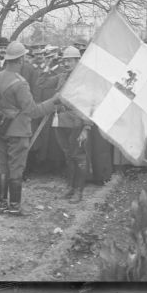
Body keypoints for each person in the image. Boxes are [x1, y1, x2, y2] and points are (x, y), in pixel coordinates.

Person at [0, 42, 60, 214]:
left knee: (3, 166)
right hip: (18, 131)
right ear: (20, 60)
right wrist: (54, 101)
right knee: (16, 167)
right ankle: (14, 206)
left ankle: (2, 204)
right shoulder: (20, 83)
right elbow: (33, 111)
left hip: (0, 128)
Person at [53, 47, 93, 203]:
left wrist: (87, 127)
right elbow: (41, 83)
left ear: (78, 61)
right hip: (62, 120)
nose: (66, 63)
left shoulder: (86, 79)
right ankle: (70, 187)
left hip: (78, 121)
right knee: (68, 155)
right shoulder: (62, 76)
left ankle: (79, 191)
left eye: (69, 60)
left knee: (79, 156)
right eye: (64, 60)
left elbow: (91, 104)